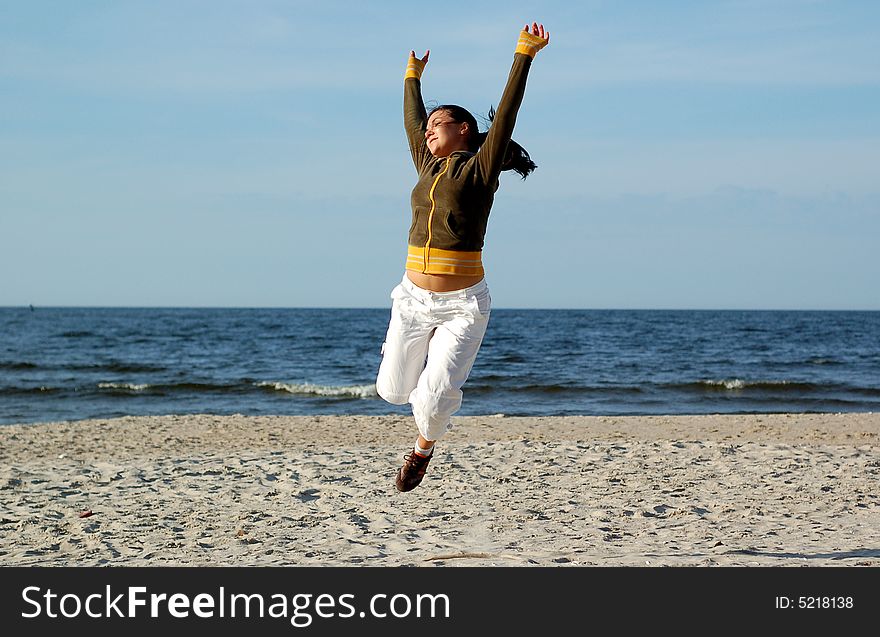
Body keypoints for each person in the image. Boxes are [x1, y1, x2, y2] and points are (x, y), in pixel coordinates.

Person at [376, 22, 550, 492]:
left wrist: (524, 54)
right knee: (391, 392)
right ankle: (415, 361)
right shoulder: (428, 163)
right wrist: (412, 76)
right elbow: (412, 122)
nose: (429, 130)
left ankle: (422, 451)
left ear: (465, 129)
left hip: (463, 305)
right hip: (412, 298)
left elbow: (508, 115)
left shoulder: (479, 169)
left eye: (439, 123)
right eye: (429, 126)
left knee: (431, 404)